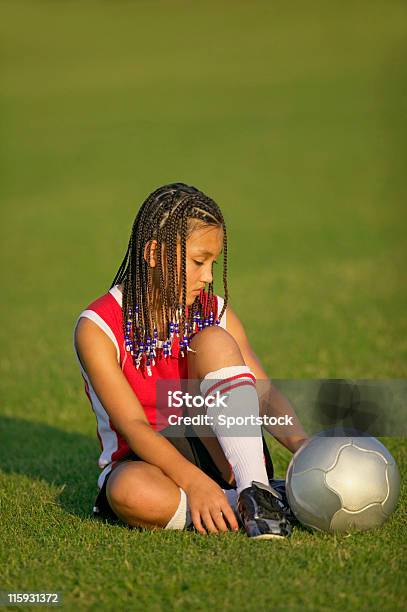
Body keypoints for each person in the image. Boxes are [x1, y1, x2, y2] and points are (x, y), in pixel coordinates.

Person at [73, 182, 308, 540]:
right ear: (154, 253)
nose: (209, 276)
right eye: (199, 261)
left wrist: (304, 447)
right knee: (128, 492)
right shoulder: (98, 326)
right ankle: (249, 506)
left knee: (214, 339)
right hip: (147, 459)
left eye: (213, 262)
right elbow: (134, 426)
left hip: (226, 450)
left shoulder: (214, 312)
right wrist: (194, 483)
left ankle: (256, 488)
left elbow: (263, 394)